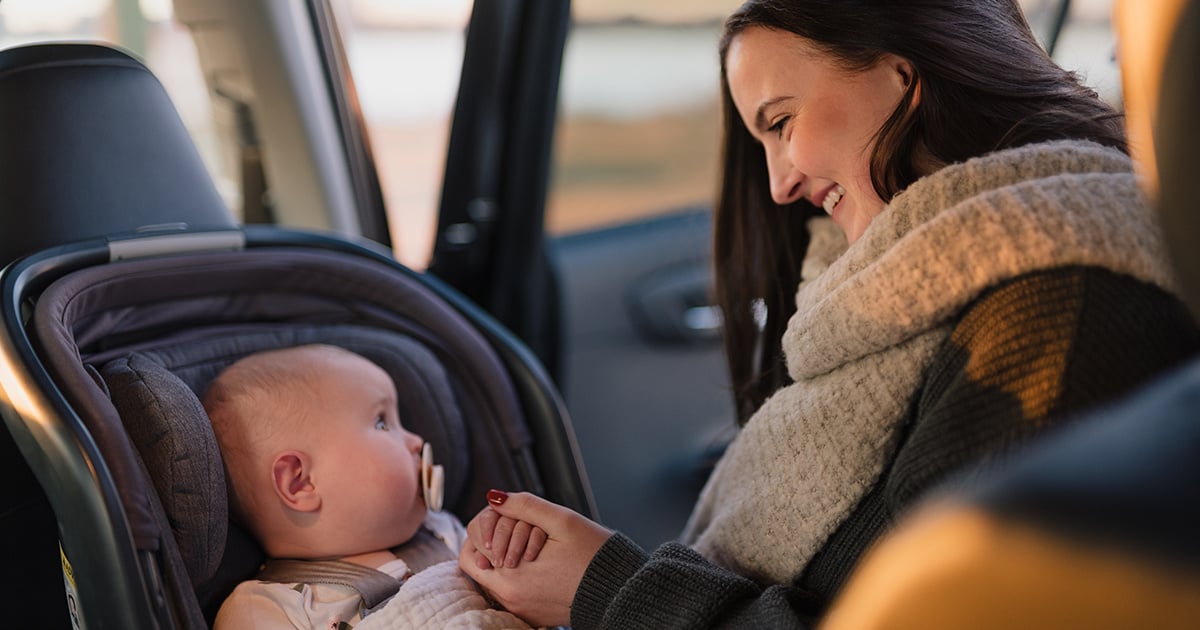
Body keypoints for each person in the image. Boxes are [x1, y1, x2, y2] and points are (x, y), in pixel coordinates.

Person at [456, 1, 1200, 628]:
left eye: (780, 122)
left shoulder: (1059, 317)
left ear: (902, 76)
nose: (778, 185)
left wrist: (613, 590)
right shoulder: (911, 302)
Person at [203, 344, 538, 629]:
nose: (417, 441)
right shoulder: (266, 608)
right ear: (300, 481)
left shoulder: (446, 531)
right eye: (382, 422)